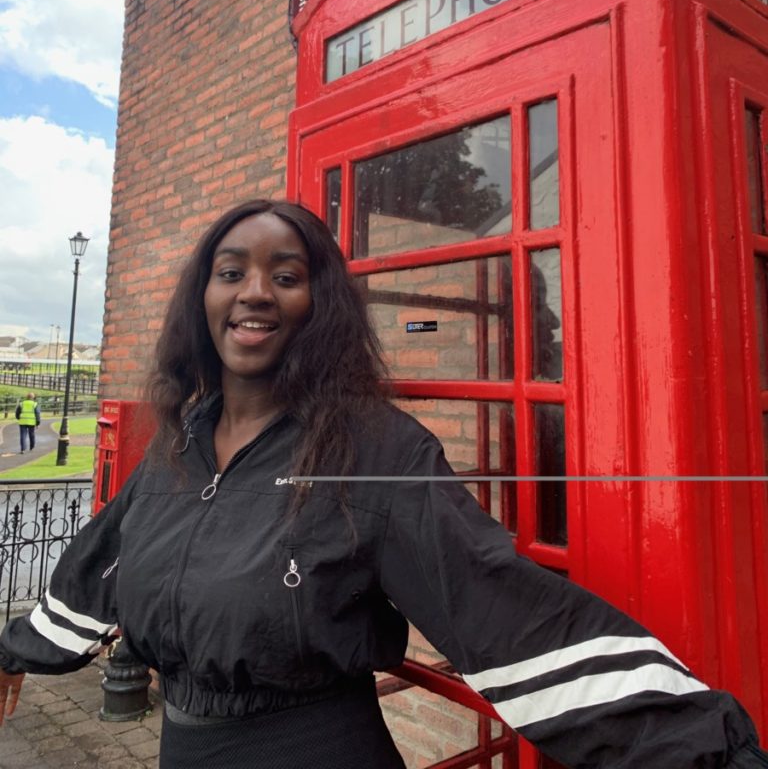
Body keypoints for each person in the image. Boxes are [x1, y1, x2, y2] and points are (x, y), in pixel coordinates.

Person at [0, 197, 765, 768]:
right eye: (231, 271)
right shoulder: (180, 442)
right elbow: (97, 568)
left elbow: (500, 609)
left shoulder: (374, 450)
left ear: (319, 303)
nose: (255, 291)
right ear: (203, 299)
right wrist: (14, 650)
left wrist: (713, 751)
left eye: (286, 275)